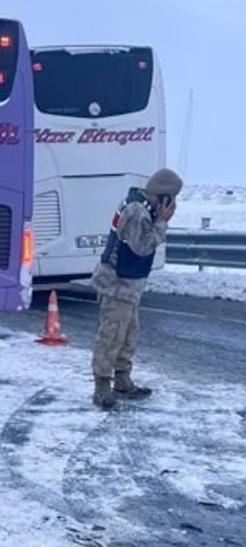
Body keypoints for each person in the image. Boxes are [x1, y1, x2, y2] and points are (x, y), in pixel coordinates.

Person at [89, 168, 182, 410]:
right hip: (117, 283)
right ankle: (101, 387)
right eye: (172, 197)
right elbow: (142, 246)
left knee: (128, 333)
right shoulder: (137, 211)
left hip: (128, 283)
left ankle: (121, 381)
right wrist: (162, 222)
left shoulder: (140, 206)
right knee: (112, 335)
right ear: (163, 196)